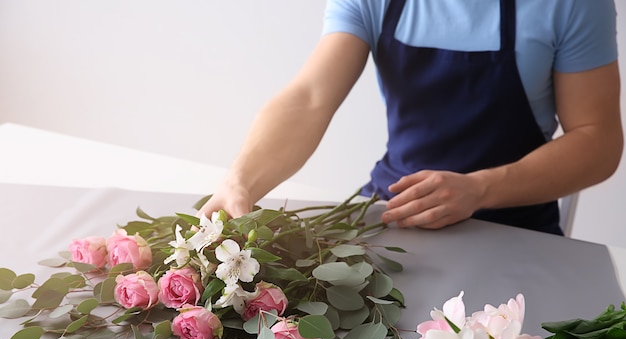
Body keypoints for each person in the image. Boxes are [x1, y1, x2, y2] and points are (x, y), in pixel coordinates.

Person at [198, 0, 623, 236]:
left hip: (516, 227)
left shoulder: (574, 4)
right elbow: (310, 97)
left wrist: (479, 188)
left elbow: (598, 140)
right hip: (391, 212)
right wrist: (241, 181)